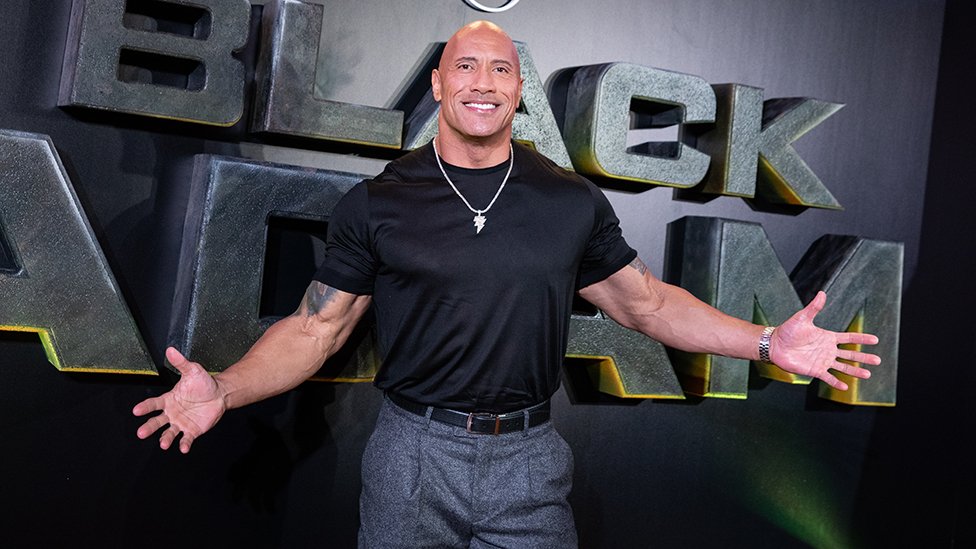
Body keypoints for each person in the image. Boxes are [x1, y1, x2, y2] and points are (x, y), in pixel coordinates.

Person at [133, 20, 880, 548]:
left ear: (519, 87)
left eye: (499, 68)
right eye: (465, 66)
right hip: (412, 454)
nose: (482, 83)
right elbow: (314, 328)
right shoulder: (381, 201)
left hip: (529, 458)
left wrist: (763, 339)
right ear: (438, 82)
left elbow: (646, 303)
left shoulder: (569, 201)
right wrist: (225, 389)